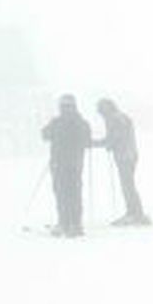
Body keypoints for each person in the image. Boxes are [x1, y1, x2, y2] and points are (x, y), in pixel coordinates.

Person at [40, 94, 92, 237]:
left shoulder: (57, 122)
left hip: (59, 163)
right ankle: (76, 224)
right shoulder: (82, 122)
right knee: (75, 193)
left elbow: (44, 135)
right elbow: (87, 141)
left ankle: (64, 223)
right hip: (75, 164)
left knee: (61, 194)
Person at [92, 98, 150, 226]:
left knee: (127, 185)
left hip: (125, 155)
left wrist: (105, 144)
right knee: (128, 184)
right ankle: (134, 212)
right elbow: (115, 137)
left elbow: (116, 137)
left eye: (101, 111)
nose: (101, 114)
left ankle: (135, 214)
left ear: (106, 109)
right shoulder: (119, 117)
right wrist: (105, 143)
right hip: (129, 154)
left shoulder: (115, 118)